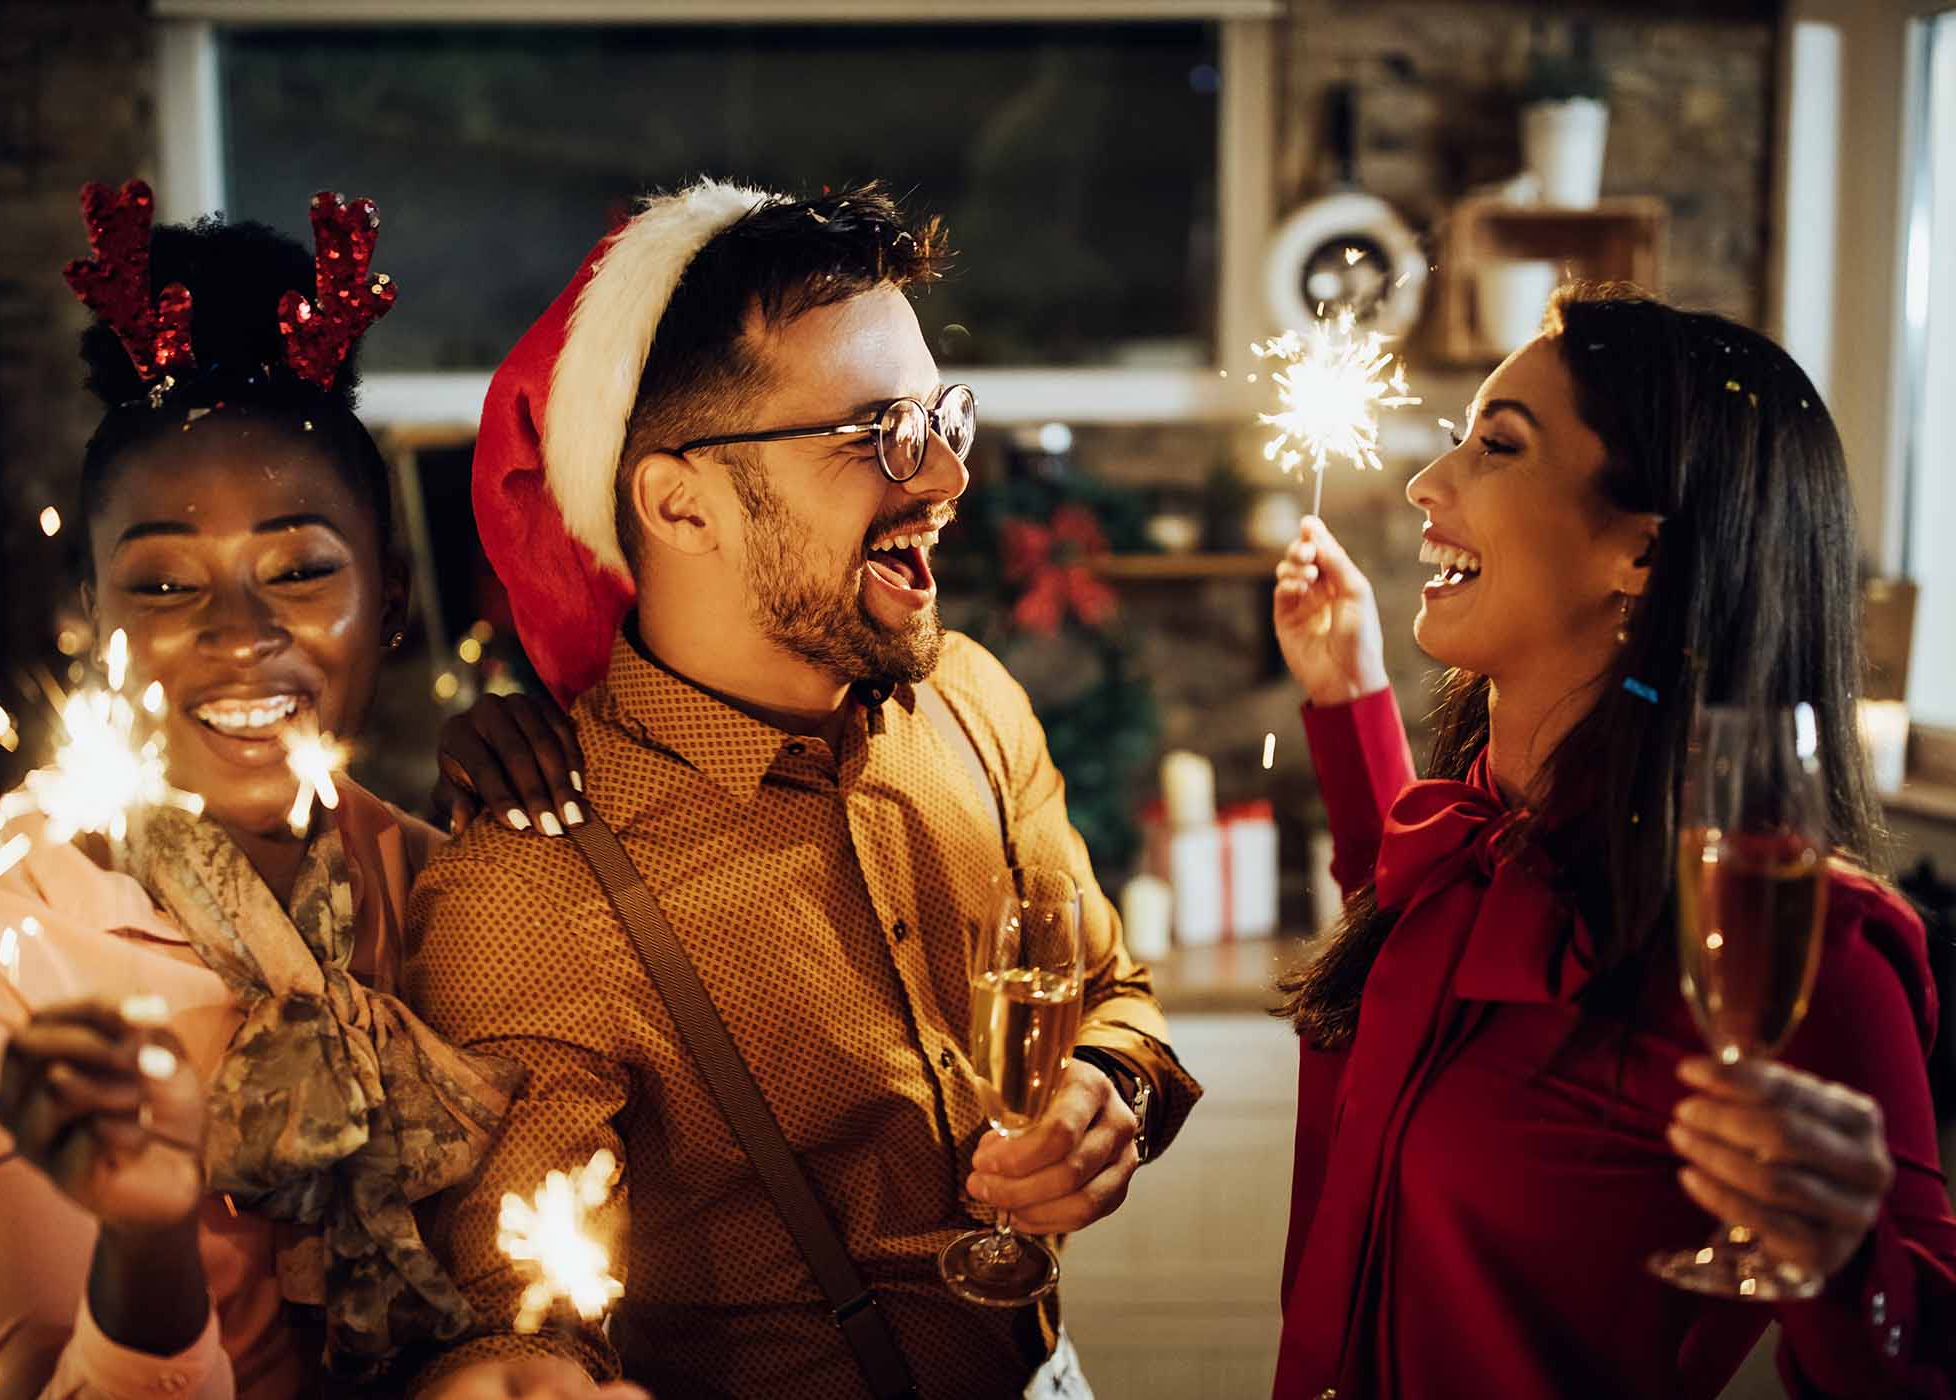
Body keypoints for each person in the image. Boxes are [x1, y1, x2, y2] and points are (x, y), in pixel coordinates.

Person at [404, 179, 1202, 1399]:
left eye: (944, 416)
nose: (943, 477)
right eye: (878, 430)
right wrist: (513, 1370)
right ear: (679, 500)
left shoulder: (971, 701)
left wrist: (1113, 1086)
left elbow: (1108, 988)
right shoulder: (534, 887)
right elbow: (513, 1319)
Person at [0, 184, 645, 1400]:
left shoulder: (441, 880)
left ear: (389, 604)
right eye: (165, 585)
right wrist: (149, 1231)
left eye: (299, 569)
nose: (238, 631)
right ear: (86, 614)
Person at [1268, 281, 1956, 1397]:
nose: (1424, 482)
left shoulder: (1805, 950)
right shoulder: (1472, 841)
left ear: (1636, 553)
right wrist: (1349, 696)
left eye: (1495, 446)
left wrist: (1839, 1260)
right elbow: (1405, 945)